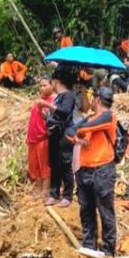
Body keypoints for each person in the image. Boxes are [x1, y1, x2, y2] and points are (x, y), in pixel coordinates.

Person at [71, 85, 117, 258]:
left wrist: (79, 131)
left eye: (92, 98)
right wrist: (77, 135)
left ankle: (108, 251)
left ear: (97, 99)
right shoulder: (90, 118)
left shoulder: (108, 116)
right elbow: (70, 132)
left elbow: (82, 128)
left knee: (105, 210)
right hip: (85, 170)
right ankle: (89, 246)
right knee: (86, 209)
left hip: (103, 170)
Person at [46, 68, 76, 207]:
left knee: (65, 164)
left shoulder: (69, 95)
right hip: (54, 133)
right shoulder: (58, 97)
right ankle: (54, 193)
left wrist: (47, 105)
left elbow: (64, 111)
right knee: (54, 164)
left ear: (56, 81)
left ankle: (67, 195)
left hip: (65, 133)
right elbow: (54, 116)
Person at [26, 78, 53, 198]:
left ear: (52, 85)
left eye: (45, 85)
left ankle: (45, 190)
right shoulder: (39, 99)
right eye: (40, 86)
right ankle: (38, 189)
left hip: (43, 138)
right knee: (34, 165)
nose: (42, 88)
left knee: (44, 165)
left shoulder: (53, 100)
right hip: (32, 138)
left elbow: (48, 118)